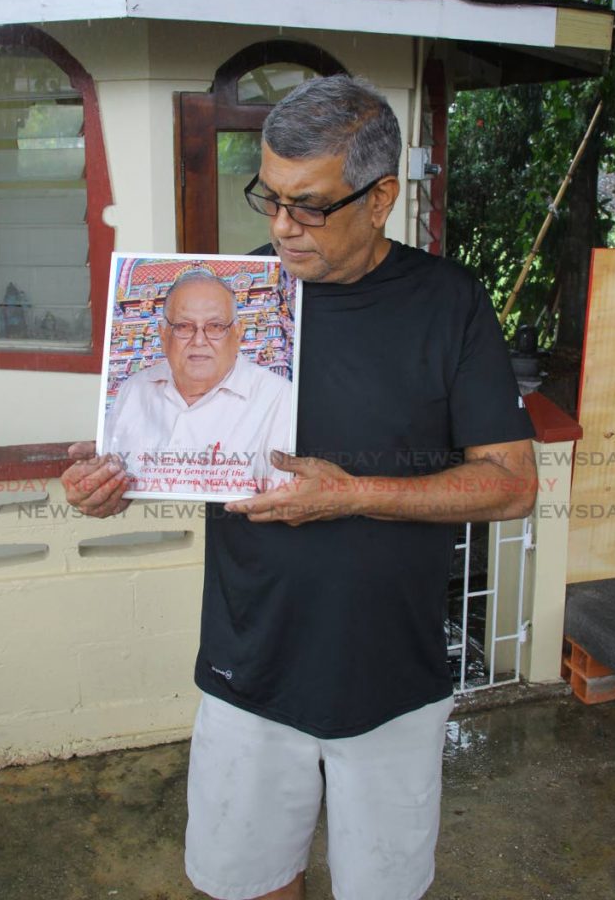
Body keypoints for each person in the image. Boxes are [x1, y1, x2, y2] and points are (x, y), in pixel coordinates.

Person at [62, 75, 536, 900]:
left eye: (309, 205)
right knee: (243, 883)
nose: (281, 227)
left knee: (379, 888)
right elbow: (170, 438)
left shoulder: (447, 303)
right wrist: (112, 469)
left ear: (381, 195)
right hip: (252, 664)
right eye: (270, 198)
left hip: (392, 675)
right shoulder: (237, 294)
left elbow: (510, 485)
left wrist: (353, 493)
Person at [102, 270, 293, 495]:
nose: (199, 341)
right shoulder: (133, 389)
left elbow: (283, 500)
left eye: (215, 327)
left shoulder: (278, 397)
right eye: (183, 327)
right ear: (163, 335)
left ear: (238, 334)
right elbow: (108, 479)